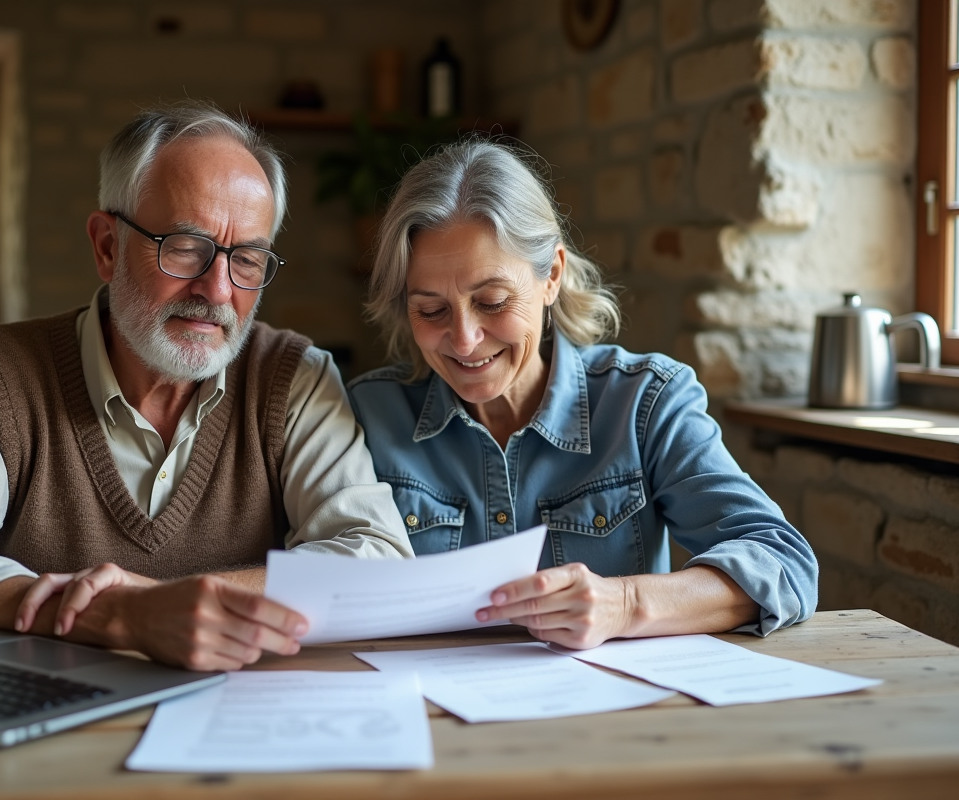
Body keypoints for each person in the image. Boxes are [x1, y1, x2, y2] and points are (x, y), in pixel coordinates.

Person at [0, 102, 413, 672]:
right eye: (185, 248)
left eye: (248, 259)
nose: (217, 289)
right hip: (47, 716)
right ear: (107, 245)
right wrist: (121, 614)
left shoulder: (296, 378)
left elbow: (377, 557)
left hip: (240, 718)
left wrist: (186, 605)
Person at [347, 140, 817, 649]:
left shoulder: (644, 404)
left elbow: (783, 562)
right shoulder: (367, 417)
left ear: (551, 275)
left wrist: (627, 604)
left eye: (493, 301)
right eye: (432, 311)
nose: (464, 340)